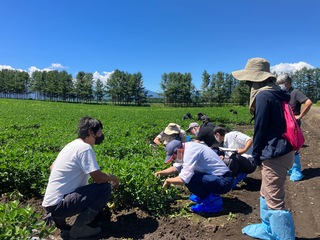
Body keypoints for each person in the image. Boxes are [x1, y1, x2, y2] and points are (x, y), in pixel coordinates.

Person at [232, 58, 295, 239]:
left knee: (275, 200)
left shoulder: (263, 96)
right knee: (265, 191)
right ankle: (268, 228)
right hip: (283, 150)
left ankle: (283, 236)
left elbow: (260, 129)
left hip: (275, 154)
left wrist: (256, 155)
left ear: (255, 79)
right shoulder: (277, 93)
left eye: (249, 81)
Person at [42, 116, 120, 239]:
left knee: (88, 189)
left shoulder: (71, 145)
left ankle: (59, 219)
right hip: (60, 204)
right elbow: (98, 178)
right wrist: (113, 178)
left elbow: (52, 167)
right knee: (104, 188)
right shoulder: (85, 148)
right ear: (90, 132)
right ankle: (80, 229)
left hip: (50, 202)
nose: (101, 134)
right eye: (99, 131)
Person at [154, 140, 233, 213]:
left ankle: (213, 203)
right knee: (190, 174)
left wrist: (168, 181)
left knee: (190, 179)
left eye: (173, 157)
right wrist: (160, 173)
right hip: (215, 177)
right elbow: (177, 168)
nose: (173, 159)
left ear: (178, 151)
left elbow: (184, 179)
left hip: (224, 181)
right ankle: (205, 195)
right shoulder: (183, 149)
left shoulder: (190, 152)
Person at [277, 73, 313, 182]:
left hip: (293, 125)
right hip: (284, 124)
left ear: (288, 83)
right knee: (287, 147)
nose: (280, 86)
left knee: (294, 146)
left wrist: (300, 116)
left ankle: (297, 171)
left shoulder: (295, 92)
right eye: (278, 84)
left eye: (281, 84)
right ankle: (291, 168)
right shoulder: (283, 93)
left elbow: (308, 102)